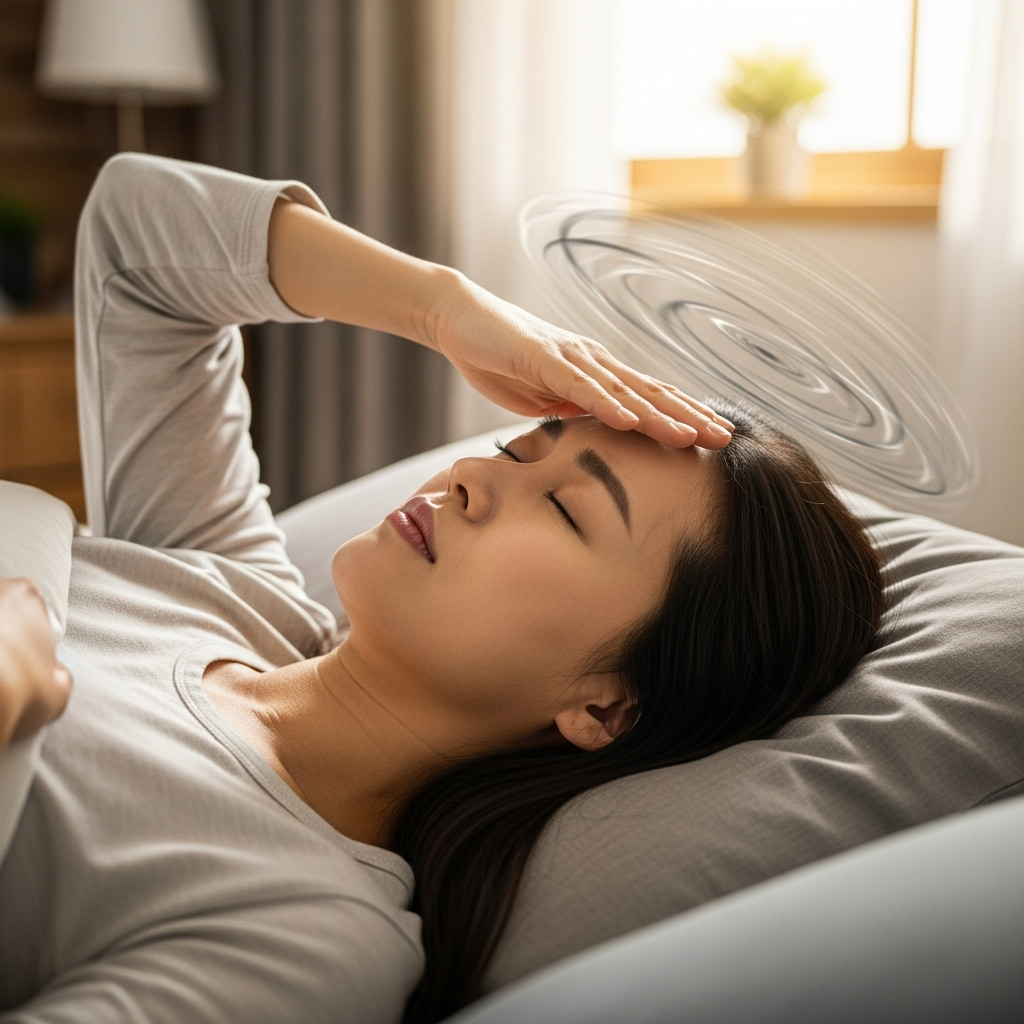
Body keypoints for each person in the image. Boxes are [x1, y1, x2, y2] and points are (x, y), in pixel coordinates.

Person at [0, 155, 881, 1024]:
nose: (467, 475)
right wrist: (446, 309)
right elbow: (135, 234)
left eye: (568, 513)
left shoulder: (304, 937)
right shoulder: (232, 592)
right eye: (515, 449)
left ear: (609, 710)